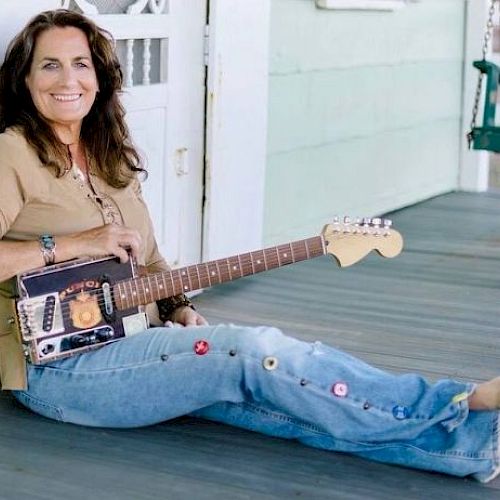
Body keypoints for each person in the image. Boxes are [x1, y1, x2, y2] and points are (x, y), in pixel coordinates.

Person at [0, 9, 499, 483]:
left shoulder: (109, 157)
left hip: (138, 340)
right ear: (26, 79)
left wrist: (178, 305)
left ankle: (472, 448)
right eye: (50, 65)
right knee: (253, 351)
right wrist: (68, 244)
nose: (68, 80)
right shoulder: (13, 152)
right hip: (61, 369)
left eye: (80, 64)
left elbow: (147, 261)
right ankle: (459, 400)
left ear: (99, 77)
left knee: (280, 399)